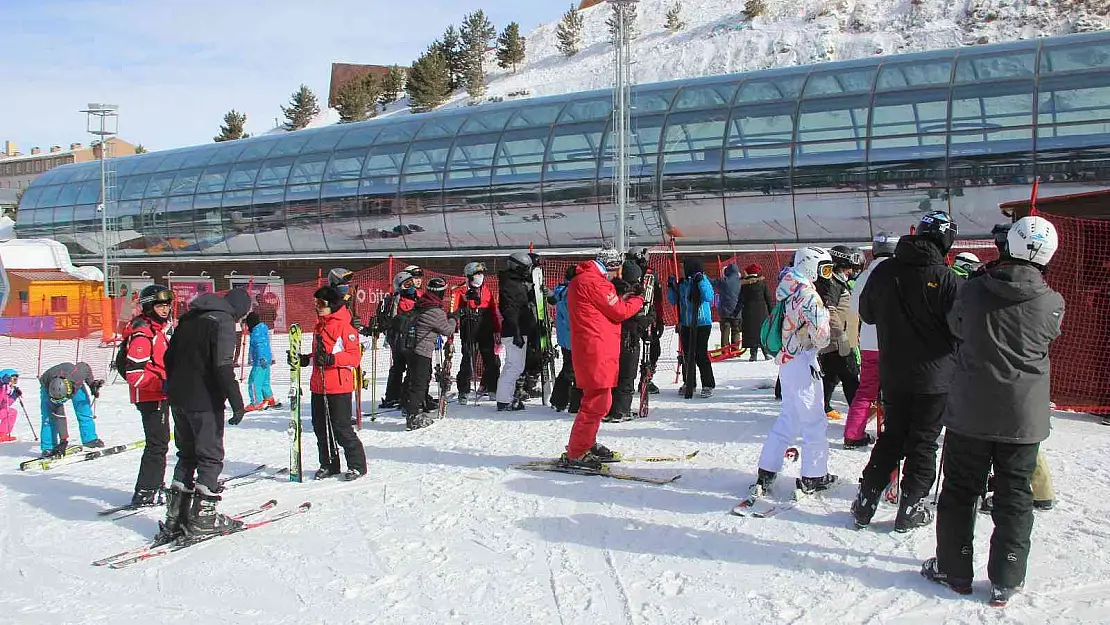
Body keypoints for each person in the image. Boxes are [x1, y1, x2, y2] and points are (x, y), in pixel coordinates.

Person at [922, 216, 1064, 606]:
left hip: (970, 409)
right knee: (1014, 495)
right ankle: (1007, 576)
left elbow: (956, 326)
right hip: (1023, 417)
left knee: (960, 490)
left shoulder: (972, 291)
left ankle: (955, 568)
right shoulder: (1052, 301)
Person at [852, 211, 961, 533]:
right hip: (935, 377)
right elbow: (961, 329)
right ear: (945, 241)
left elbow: (868, 314)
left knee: (892, 437)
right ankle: (910, 508)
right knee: (923, 443)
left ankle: (865, 501)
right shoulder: (948, 278)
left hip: (895, 372)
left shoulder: (885, 269)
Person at [162, 288, 251, 539]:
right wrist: (237, 402)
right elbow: (223, 366)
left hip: (178, 397)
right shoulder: (223, 322)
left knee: (187, 454)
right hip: (204, 400)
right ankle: (204, 518)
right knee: (210, 456)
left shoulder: (190, 318)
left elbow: (169, 357)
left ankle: (176, 515)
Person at [747, 248, 835, 501]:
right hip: (803, 359)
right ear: (810, 266)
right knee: (814, 421)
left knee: (789, 417)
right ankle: (813, 475)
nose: (825, 276)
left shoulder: (788, 286)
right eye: (823, 269)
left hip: (787, 360)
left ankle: (767, 469)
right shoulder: (808, 295)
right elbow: (823, 336)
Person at [559, 247, 645, 469]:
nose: (618, 276)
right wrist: (637, 300)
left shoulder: (588, 280)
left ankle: (586, 443)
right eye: (618, 271)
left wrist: (622, 297)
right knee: (596, 402)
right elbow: (619, 312)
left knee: (600, 401)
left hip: (597, 347)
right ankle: (577, 452)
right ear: (613, 267)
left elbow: (607, 306)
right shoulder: (593, 281)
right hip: (595, 348)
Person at [291, 286, 368, 479]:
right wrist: (306, 359)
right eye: (315, 303)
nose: (317, 307)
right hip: (319, 385)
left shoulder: (345, 327)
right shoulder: (321, 325)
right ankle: (329, 464)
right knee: (321, 428)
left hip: (338, 386)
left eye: (321, 304)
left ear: (332, 305)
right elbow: (320, 355)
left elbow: (354, 357)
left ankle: (357, 465)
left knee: (341, 428)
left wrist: (333, 360)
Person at [120, 285, 175, 506]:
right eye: (160, 305)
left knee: (160, 442)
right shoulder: (143, 334)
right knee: (157, 444)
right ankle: (146, 490)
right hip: (150, 396)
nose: (165, 309)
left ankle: (154, 485)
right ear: (149, 307)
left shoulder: (157, 330)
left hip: (158, 394)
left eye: (167, 305)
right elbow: (134, 374)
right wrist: (162, 386)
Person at [844, 232, 899, 449]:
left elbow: (855, 308)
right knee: (897, 390)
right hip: (895, 343)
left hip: (869, 341)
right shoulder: (900, 274)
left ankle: (852, 434)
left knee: (866, 389)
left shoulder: (864, 276)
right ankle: (894, 433)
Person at [400, 277, 458, 430]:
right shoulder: (434, 310)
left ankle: (412, 407)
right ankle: (413, 416)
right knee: (420, 382)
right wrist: (453, 319)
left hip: (412, 348)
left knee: (414, 379)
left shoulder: (422, 303)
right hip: (421, 350)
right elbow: (447, 330)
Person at [605, 258, 654, 422]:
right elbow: (641, 320)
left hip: (611, 340)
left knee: (613, 376)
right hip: (629, 339)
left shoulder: (612, 291)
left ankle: (609, 409)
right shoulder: (634, 296)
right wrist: (650, 317)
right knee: (627, 375)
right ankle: (621, 410)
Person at [817, 246, 861, 421]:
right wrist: (841, 335)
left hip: (835, 340)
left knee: (831, 376)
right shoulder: (833, 283)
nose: (850, 271)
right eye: (848, 267)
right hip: (838, 340)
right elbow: (830, 310)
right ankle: (858, 421)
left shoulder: (835, 281)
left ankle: (823, 406)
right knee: (851, 377)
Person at [453, 261, 500, 405]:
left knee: (490, 359)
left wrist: (497, 329)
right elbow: (453, 310)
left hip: (485, 325)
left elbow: (493, 310)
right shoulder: (460, 290)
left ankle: (492, 387)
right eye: (477, 274)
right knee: (468, 358)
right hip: (469, 325)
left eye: (482, 274)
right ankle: (464, 391)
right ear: (470, 276)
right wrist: (465, 303)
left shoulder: (486, 289)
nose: (481, 276)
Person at [668, 259, 716, 398]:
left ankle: (707, 384)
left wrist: (700, 281)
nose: (682, 270)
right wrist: (671, 287)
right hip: (687, 323)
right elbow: (674, 300)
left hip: (702, 323)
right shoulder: (683, 283)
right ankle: (689, 382)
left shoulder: (703, 280)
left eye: (685, 268)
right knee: (687, 355)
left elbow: (708, 296)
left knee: (701, 354)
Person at [496, 252, 537, 411]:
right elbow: (510, 309)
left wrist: (532, 293)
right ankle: (504, 400)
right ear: (516, 267)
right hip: (514, 331)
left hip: (520, 329)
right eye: (525, 268)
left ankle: (505, 397)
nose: (527, 271)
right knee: (514, 366)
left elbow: (522, 303)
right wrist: (516, 332)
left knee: (515, 366)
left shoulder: (517, 282)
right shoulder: (509, 285)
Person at [39, 361, 104, 457]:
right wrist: (63, 440)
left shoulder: (78, 374)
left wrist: (92, 384)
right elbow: (59, 416)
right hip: (48, 385)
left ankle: (90, 438)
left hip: (73, 381)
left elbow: (86, 367)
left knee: (83, 409)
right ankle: (49, 447)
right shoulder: (50, 389)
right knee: (48, 418)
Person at [380, 271, 416, 409]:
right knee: (403, 366)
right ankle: (397, 396)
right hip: (401, 339)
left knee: (401, 367)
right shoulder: (401, 301)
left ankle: (397, 395)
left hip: (407, 338)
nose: (411, 286)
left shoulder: (413, 297)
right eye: (408, 284)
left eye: (412, 283)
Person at [548, 266, 581, 413]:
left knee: (569, 368)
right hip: (573, 337)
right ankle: (562, 400)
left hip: (565, 337)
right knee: (571, 370)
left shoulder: (561, 290)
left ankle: (559, 399)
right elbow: (571, 317)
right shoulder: (570, 293)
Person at [243, 312, 278, 412]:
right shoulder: (262, 329)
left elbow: (260, 346)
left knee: (253, 381)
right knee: (264, 381)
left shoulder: (256, 333)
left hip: (260, 361)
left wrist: (261, 358)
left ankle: (256, 402)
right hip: (266, 359)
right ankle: (269, 398)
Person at [740, 264, 774, 361]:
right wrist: (771, 311)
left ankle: (753, 354)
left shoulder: (745, 285)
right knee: (762, 332)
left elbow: (740, 300)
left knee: (751, 332)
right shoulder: (762, 284)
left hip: (748, 312)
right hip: (761, 312)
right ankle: (766, 353)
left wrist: (735, 312)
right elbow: (768, 298)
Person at [716, 263, 742, 347]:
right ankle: (735, 348)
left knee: (725, 330)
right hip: (737, 311)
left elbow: (712, 282)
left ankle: (725, 349)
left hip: (724, 311)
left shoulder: (723, 281)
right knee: (736, 330)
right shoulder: (740, 282)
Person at [0, 369, 21, 443]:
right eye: (13, 379)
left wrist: (13, 396)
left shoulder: (5, 387)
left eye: (16, 379)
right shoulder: (1, 386)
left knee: (12, 412)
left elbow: (5, 404)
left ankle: (2, 434)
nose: (14, 382)